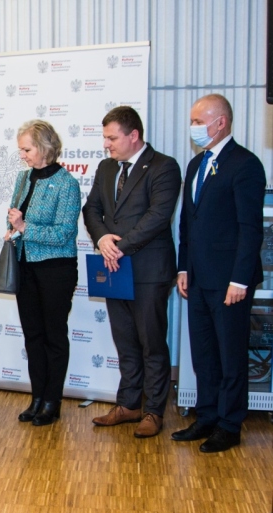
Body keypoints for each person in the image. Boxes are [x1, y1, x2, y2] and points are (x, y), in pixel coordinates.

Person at [82, 106, 182, 438]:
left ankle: (153, 410)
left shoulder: (164, 167)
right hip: (114, 268)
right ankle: (128, 404)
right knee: (125, 340)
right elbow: (91, 208)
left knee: (151, 341)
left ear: (133, 135)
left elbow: (157, 216)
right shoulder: (106, 167)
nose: (106, 144)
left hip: (149, 269)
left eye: (112, 138)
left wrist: (120, 245)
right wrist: (102, 238)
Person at [174, 94, 266, 453]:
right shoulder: (196, 164)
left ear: (220, 122)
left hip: (230, 282)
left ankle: (230, 424)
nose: (194, 126)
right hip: (197, 278)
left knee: (231, 356)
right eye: (192, 120)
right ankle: (208, 415)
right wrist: (183, 267)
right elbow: (187, 221)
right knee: (204, 354)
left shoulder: (245, 164)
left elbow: (250, 228)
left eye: (199, 120)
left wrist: (240, 279)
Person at [5, 120, 80, 426]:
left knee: (54, 337)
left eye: (27, 149)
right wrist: (13, 227)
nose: (22, 155)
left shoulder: (67, 183)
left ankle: (52, 401)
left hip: (55, 270)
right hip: (26, 267)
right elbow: (15, 215)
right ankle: (37, 398)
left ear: (45, 147)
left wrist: (24, 227)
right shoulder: (23, 179)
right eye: (21, 149)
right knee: (33, 336)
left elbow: (64, 234)